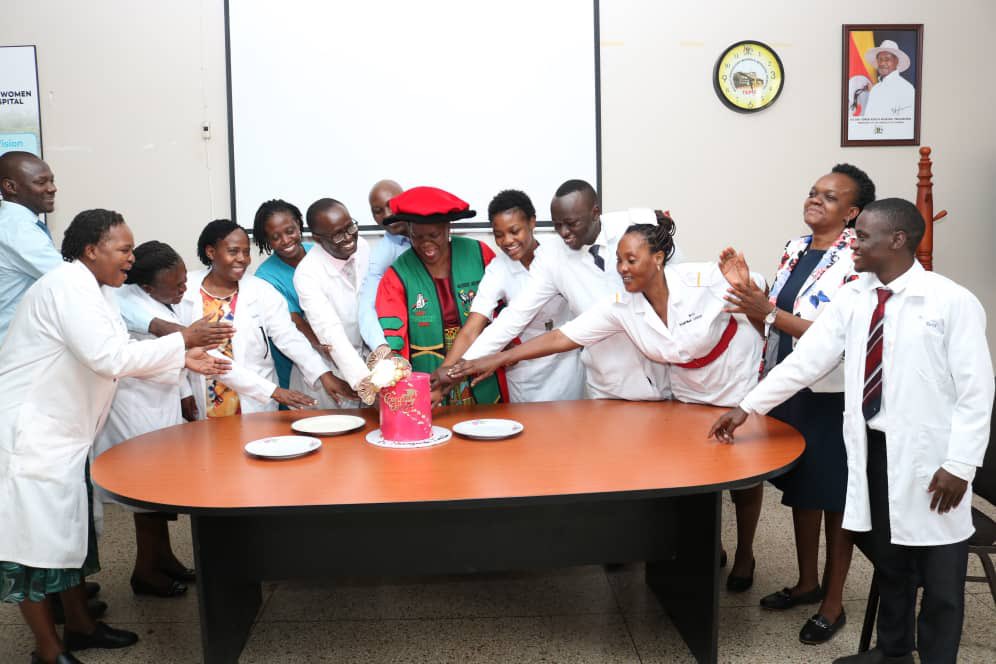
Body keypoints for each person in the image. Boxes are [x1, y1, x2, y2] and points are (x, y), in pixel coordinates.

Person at [710, 198, 995, 664]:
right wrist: (748, 406)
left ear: (897, 240)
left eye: (862, 236)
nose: (853, 243)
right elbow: (808, 360)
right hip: (872, 450)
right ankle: (894, 650)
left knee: (940, 575)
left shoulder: (951, 302)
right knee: (891, 562)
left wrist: (960, 464)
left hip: (933, 458)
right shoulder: (856, 296)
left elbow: (977, 392)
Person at [449, 217, 766, 585]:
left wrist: (746, 287)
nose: (622, 269)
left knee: (743, 475)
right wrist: (489, 360)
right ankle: (708, 543)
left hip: (733, 373)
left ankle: (745, 553)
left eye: (631, 260)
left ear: (659, 258)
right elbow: (562, 338)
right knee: (697, 468)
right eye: (619, 260)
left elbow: (759, 293)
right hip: (688, 386)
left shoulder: (703, 279)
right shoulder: (622, 306)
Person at [0, 209, 231, 664]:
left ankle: (82, 628)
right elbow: (107, 359)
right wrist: (183, 342)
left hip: (64, 433)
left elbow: (120, 353)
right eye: (123, 249)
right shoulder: (67, 288)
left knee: (67, 536)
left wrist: (183, 359)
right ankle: (48, 650)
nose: (131, 258)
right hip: (32, 434)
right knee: (32, 546)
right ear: (90, 249)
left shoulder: (96, 291)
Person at [722, 164, 876, 644]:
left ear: (852, 213)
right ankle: (807, 583)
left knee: (834, 500)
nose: (816, 200)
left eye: (830, 198)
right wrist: (752, 301)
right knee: (804, 493)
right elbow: (772, 328)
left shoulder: (859, 260)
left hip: (833, 395)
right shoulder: (794, 249)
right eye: (813, 192)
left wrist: (766, 310)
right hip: (790, 389)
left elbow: (838, 339)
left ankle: (833, 603)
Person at [459, 179, 685, 401]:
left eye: (571, 223)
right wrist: (462, 366)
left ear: (595, 213)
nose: (564, 233)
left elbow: (677, 297)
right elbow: (515, 316)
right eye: (557, 225)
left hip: (665, 376)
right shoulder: (552, 257)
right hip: (609, 385)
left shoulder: (636, 231)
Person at [93, 241, 217, 599]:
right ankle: (145, 571)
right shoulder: (126, 302)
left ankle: (164, 559)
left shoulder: (159, 297)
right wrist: (185, 345)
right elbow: (158, 346)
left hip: (160, 401)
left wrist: (183, 393)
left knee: (161, 491)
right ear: (147, 287)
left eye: (183, 280)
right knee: (146, 495)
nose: (184, 288)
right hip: (135, 405)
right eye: (176, 284)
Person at [179, 219, 352, 417]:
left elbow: (289, 337)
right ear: (211, 252)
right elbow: (174, 345)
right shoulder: (185, 290)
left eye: (246, 252)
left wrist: (323, 375)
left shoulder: (261, 291)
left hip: (253, 401)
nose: (243, 259)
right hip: (206, 397)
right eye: (233, 251)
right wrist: (184, 391)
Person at [432, 189, 584, 403]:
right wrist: (448, 372)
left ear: (532, 222)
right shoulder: (498, 269)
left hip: (565, 362)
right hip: (524, 370)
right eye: (499, 235)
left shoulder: (558, 250)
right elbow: (472, 329)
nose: (507, 241)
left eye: (514, 231)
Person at [375, 186, 506, 406]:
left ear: (448, 228)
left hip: (479, 367)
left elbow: (503, 313)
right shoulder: (397, 274)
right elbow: (393, 337)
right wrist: (396, 377)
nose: (426, 244)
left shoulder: (478, 254)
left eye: (434, 235)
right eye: (417, 236)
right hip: (428, 378)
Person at [293, 198, 373, 401]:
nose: (348, 238)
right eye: (337, 235)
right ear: (318, 239)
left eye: (350, 227)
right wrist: (364, 382)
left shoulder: (363, 247)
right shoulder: (307, 273)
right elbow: (330, 332)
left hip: (367, 358)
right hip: (334, 366)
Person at [250, 199, 322, 391]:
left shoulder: (320, 253)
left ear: (299, 225)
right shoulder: (265, 276)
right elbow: (294, 320)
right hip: (295, 357)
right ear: (267, 240)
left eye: (290, 231)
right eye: (275, 237)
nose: (286, 240)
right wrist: (323, 350)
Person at [358, 179, 408, 350]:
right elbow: (367, 306)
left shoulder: (433, 229)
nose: (387, 215)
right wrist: (381, 346)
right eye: (377, 211)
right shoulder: (382, 255)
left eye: (391, 205)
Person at [860, 40, 915, 119]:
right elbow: (868, 119)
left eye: (887, 59)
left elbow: (906, 123)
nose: (882, 63)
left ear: (896, 61)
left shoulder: (906, 88)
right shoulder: (875, 89)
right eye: (880, 59)